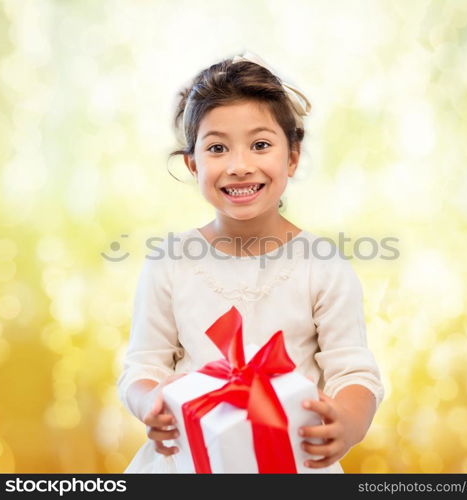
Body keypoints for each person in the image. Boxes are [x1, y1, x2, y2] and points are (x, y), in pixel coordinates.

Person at [117, 50, 384, 473]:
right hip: (188, 461)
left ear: (292, 157)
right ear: (192, 163)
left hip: (293, 461)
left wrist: (347, 423)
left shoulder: (323, 266)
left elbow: (354, 374)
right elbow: (142, 367)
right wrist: (152, 401)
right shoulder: (169, 263)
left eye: (260, 145)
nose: (240, 166)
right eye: (217, 148)